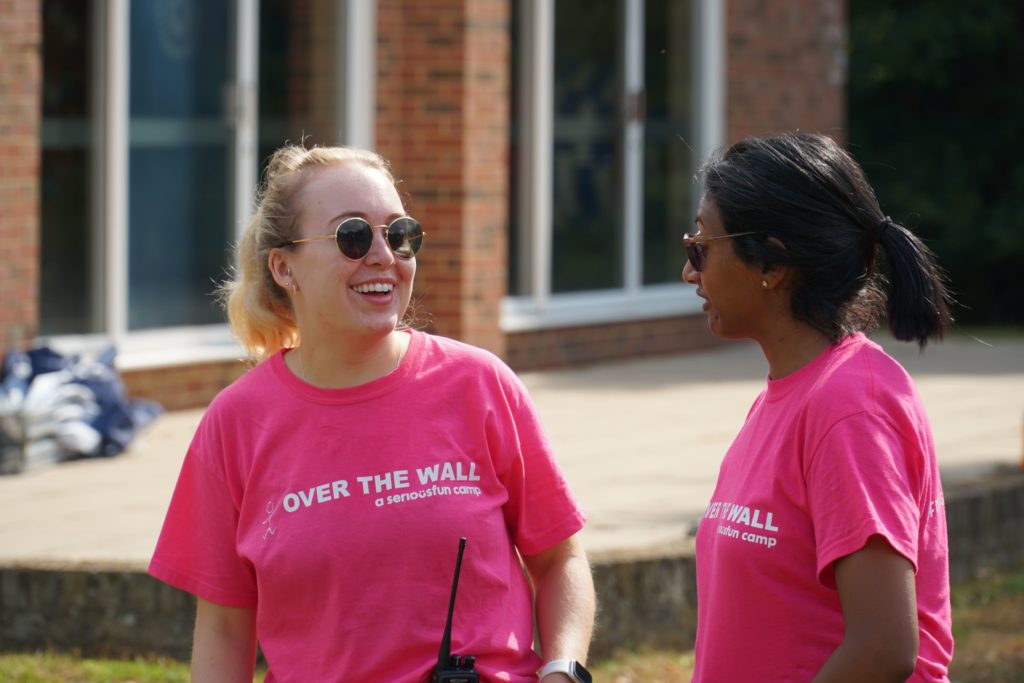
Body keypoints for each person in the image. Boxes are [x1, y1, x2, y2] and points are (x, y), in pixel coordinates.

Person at [149, 144, 596, 682]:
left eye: (400, 234)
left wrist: (561, 670)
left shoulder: (480, 385)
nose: (384, 255)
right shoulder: (235, 423)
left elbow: (560, 560)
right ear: (284, 267)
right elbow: (223, 627)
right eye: (353, 236)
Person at [682, 132, 954, 682]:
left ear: (772, 264)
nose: (690, 273)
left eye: (701, 249)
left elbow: (884, 648)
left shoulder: (852, 405)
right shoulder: (788, 395)